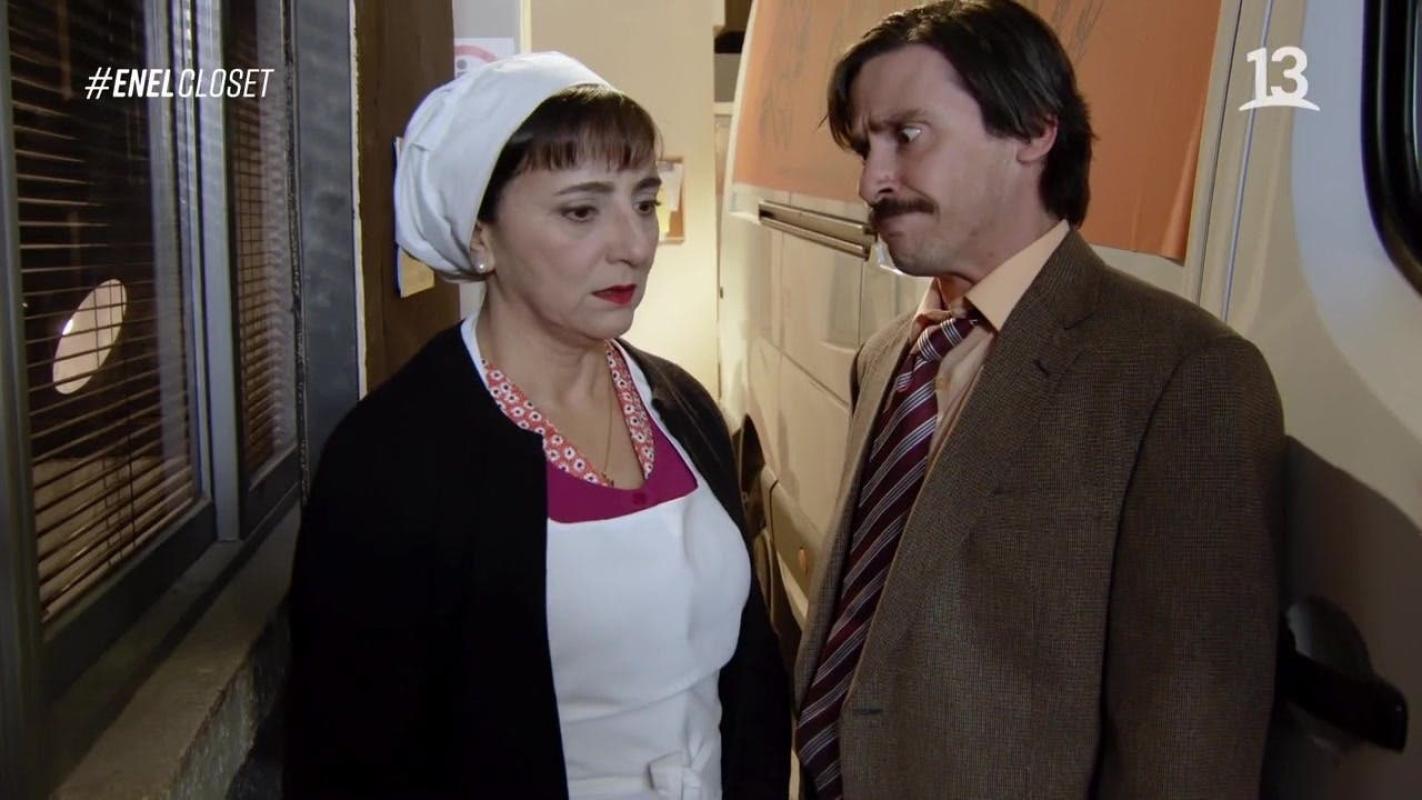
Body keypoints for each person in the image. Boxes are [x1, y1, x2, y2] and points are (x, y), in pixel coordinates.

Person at [791, 3, 1284, 798]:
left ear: (1033, 130)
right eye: (864, 145)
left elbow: (1187, 737)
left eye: (907, 135)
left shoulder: (1182, 375)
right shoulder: (888, 358)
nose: (871, 181)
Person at [284, 52, 789, 799]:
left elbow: (748, 679)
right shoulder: (393, 458)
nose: (634, 244)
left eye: (643, 202)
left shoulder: (681, 405)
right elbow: (352, 756)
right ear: (480, 235)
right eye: (581, 211)